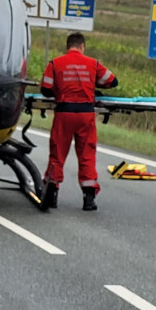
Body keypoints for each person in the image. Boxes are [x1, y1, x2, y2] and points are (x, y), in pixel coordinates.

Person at [40, 32, 118, 212]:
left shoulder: (55, 63)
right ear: (82, 46)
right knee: (87, 154)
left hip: (64, 113)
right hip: (85, 115)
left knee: (57, 153)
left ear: (68, 46)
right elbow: (113, 81)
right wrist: (92, 85)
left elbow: (45, 88)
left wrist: (59, 93)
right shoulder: (93, 63)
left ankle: (51, 194)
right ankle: (88, 198)